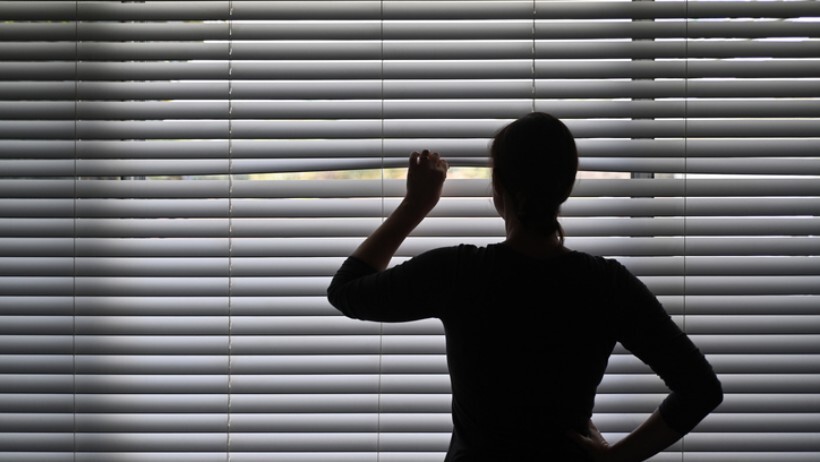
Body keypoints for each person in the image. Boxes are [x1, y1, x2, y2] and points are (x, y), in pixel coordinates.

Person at [326, 112, 723, 461]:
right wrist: (618, 458)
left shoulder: (461, 272)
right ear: (565, 188)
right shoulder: (606, 284)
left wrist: (416, 205)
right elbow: (700, 389)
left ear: (499, 188)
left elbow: (346, 290)